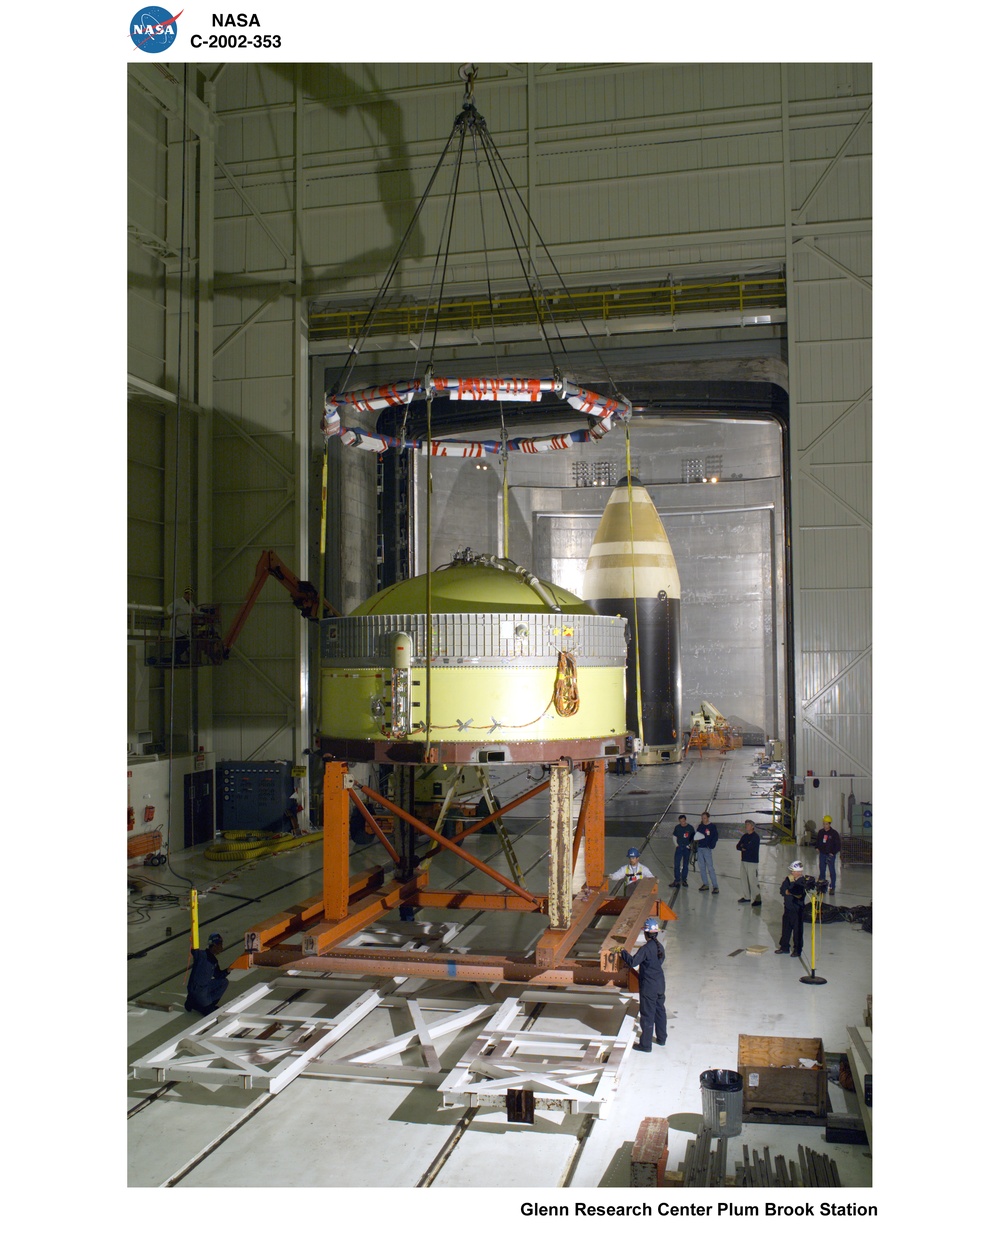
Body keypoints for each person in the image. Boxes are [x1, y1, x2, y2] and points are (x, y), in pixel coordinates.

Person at [618, 917, 667, 1051]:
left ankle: (645, 1045)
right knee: (660, 1011)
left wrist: (622, 952)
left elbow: (633, 962)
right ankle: (662, 1039)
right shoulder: (659, 947)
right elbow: (660, 961)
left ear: (645, 934)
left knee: (647, 1014)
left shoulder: (646, 949)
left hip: (649, 987)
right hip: (660, 984)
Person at [185, 932, 229, 1015]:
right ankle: (199, 1005)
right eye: (219, 944)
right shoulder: (201, 955)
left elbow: (218, 975)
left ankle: (203, 1003)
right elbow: (194, 950)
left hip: (204, 988)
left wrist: (228, 970)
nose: (221, 947)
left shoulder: (214, 961)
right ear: (214, 945)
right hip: (196, 990)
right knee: (209, 1013)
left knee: (224, 982)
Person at [776, 861, 814, 956]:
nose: (792, 873)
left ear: (799, 872)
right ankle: (784, 947)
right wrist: (788, 890)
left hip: (797, 910)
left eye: (793, 871)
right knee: (786, 929)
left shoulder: (803, 882)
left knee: (797, 931)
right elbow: (782, 890)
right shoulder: (788, 879)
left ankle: (797, 950)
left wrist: (789, 890)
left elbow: (797, 892)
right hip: (788, 908)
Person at [736, 819, 761, 906]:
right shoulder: (745, 836)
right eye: (745, 825)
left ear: (752, 826)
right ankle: (747, 897)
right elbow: (738, 846)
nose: (746, 826)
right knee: (744, 878)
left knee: (752, 880)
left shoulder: (755, 837)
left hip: (752, 861)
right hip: (744, 860)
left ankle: (758, 898)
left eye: (748, 825)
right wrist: (743, 846)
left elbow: (749, 847)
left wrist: (744, 846)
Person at [168, 587, 196, 662]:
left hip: (185, 628)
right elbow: (169, 607)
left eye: (190, 595)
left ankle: (177, 658)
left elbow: (195, 611)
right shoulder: (178, 601)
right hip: (178, 628)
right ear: (185, 594)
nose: (189, 596)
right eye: (187, 594)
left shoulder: (191, 604)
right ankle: (175, 658)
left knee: (184, 644)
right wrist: (171, 614)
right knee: (182, 644)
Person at [815, 815, 841, 895]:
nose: (825, 826)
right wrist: (817, 847)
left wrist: (833, 853)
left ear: (829, 824)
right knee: (822, 870)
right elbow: (818, 841)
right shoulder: (821, 832)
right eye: (824, 824)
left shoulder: (834, 833)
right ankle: (822, 887)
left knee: (832, 871)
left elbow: (838, 845)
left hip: (830, 855)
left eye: (826, 824)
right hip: (822, 854)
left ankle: (832, 887)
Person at [694, 811, 719, 893]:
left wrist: (710, 846)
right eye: (702, 818)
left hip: (706, 849)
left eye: (704, 818)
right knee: (702, 867)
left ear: (708, 818)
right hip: (700, 848)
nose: (703, 819)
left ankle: (715, 886)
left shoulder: (712, 826)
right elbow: (697, 835)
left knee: (710, 867)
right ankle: (705, 884)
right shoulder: (700, 826)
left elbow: (715, 837)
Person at [669, 814, 695, 887]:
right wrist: (677, 845)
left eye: (683, 821)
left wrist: (689, 845)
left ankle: (684, 880)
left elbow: (693, 838)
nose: (682, 823)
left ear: (685, 820)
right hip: (679, 848)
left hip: (687, 848)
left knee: (685, 865)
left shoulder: (690, 828)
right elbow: (674, 837)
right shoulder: (677, 828)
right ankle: (677, 880)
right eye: (680, 821)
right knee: (676, 864)